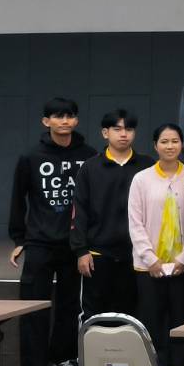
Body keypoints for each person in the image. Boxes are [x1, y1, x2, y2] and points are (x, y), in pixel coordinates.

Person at [8, 97, 96, 366]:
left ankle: (62, 359)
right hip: (40, 242)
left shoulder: (89, 155)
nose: (64, 121)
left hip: (75, 244)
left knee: (70, 306)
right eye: (58, 116)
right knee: (35, 305)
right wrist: (19, 239)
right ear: (46, 121)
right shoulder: (31, 156)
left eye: (69, 116)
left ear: (76, 120)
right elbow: (18, 199)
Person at [128, 123, 184, 366]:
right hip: (148, 265)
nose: (170, 146)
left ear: (182, 144)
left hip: (182, 265)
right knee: (152, 316)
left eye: (175, 141)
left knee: (181, 314)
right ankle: (156, 365)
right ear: (155, 145)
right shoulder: (141, 179)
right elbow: (135, 223)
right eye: (164, 141)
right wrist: (151, 259)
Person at [72, 108, 153, 324]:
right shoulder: (90, 167)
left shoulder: (147, 165)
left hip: (136, 255)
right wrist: (81, 251)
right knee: (94, 316)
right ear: (105, 133)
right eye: (117, 129)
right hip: (98, 254)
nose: (124, 134)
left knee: (133, 316)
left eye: (129, 129)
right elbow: (79, 211)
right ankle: (89, 349)